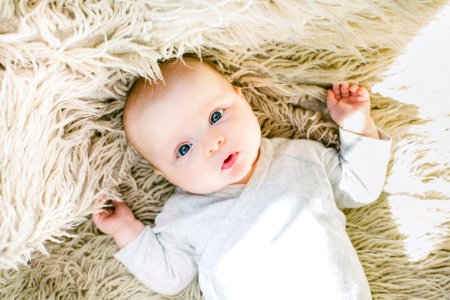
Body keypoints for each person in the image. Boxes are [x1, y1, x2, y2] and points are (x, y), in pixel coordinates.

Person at [93, 57, 391, 299]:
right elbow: (170, 276)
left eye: (215, 116)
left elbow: (359, 188)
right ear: (165, 174)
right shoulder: (183, 215)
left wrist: (357, 127)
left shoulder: (302, 159)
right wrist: (126, 229)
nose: (213, 142)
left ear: (242, 98)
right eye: (184, 149)